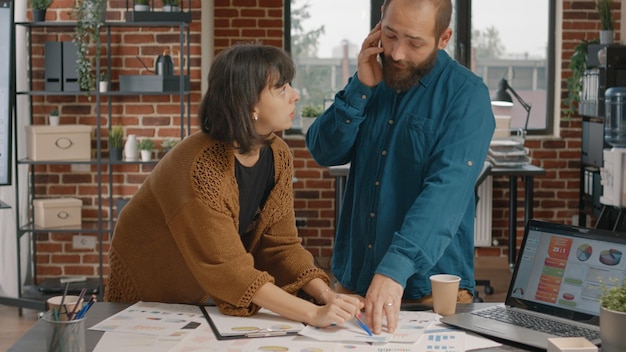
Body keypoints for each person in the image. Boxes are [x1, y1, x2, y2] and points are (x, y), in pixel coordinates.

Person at [105, 44, 361, 328]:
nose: (296, 95)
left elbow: (281, 246)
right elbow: (229, 269)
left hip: (202, 290)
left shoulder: (278, 154)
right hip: (149, 288)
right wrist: (311, 314)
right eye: (282, 88)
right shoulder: (200, 165)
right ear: (250, 103)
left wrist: (327, 296)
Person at [306, 0, 495, 334]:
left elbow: (445, 192)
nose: (396, 53)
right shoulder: (371, 77)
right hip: (354, 284)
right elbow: (323, 150)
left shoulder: (467, 97)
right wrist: (360, 88)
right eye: (390, 35)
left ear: (444, 38)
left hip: (428, 291)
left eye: (414, 42)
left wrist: (395, 268)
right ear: (380, 21)